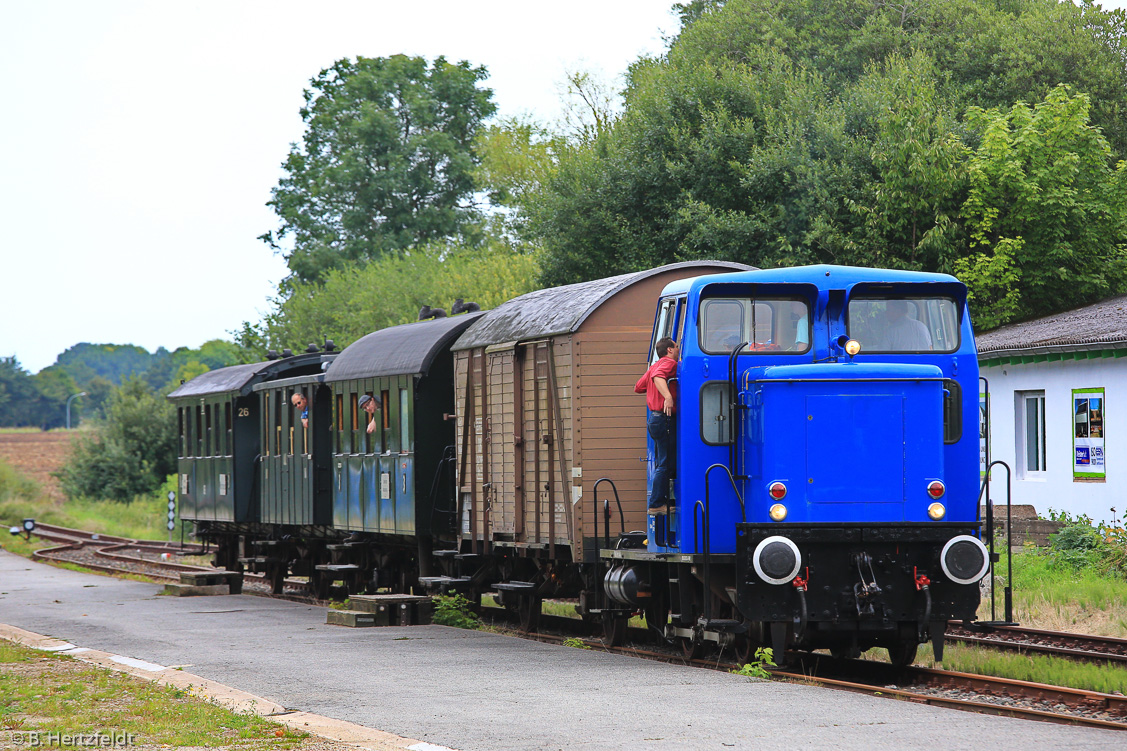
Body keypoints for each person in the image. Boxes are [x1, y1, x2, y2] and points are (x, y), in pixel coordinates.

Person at [634, 337, 679, 515]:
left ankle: (662, 500)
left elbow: (638, 387)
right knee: (666, 464)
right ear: (668, 350)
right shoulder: (668, 363)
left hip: (654, 419)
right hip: (665, 418)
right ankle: (657, 503)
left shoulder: (654, 366)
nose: (677, 350)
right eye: (676, 347)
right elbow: (659, 377)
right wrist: (667, 396)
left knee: (663, 461)